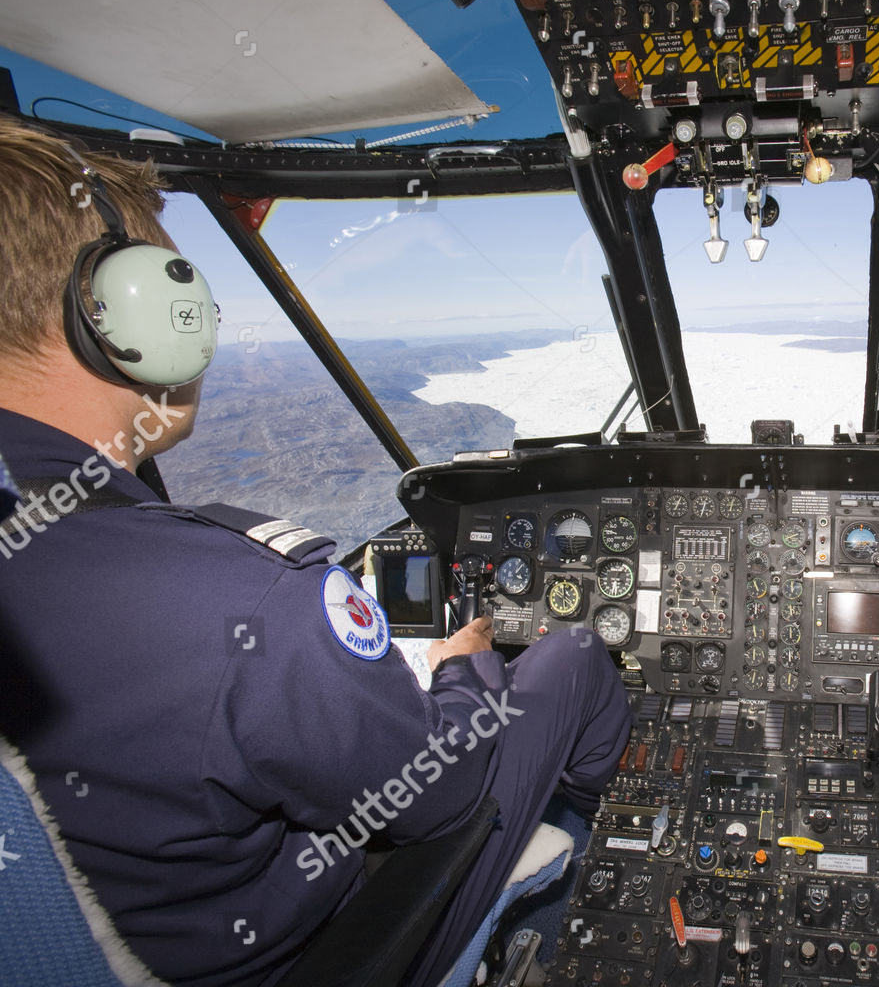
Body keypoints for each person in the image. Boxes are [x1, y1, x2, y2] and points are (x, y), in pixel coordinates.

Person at [0, 116, 633, 985]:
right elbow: (435, 796)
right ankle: (611, 827)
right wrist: (466, 671)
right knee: (573, 654)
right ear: (120, 308)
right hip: (329, 952)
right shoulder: (241, 597)